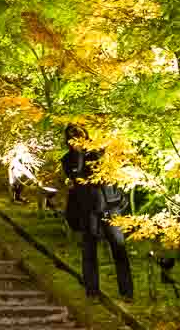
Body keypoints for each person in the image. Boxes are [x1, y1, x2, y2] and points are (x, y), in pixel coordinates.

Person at [63, 123, 134, 303]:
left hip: (110, 206)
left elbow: (114, 172)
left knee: (119, 248)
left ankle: (127, 292)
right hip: (87, 209)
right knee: (89, 251)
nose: (76, 139)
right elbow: (75, 173)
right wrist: (77, 153)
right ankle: (92, 292)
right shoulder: (68, 159)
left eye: (79, 135)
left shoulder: (100, 151)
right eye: (72, 137)